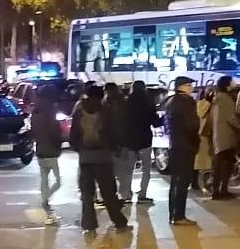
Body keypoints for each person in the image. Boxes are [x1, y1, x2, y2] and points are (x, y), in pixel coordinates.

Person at [70, 81, 129, 235]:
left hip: (85, 159)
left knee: (87, 195)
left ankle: (89, 226)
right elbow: (115, 133)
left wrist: (81, 150)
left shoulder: (78, 110)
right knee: (109, 193)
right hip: (103, 158)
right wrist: (114, 148)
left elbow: (73, 136)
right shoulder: (106, 110)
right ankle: (119, 222)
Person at [165, 76, 201, 225]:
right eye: (189, 85)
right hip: (185, 146)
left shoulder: (171, 101)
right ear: (182, 87)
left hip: (175, 145)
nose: (191, 88)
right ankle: (179, 216)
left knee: (175, 181)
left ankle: (173, 214)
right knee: (182, 182)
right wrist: (195, 142)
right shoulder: (185, 102)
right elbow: (191, 126)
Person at [32, 85, 64, 224]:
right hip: (51, 151)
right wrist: (59, 145)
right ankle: (45, 201)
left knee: (44, 179)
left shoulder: (36, 113)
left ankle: (45, 201)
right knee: (57, 181)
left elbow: (33, 133)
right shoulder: (50, 113)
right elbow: (55, 133)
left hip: (40, 151)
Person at [208, 76, 240, 200]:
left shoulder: (217, 98)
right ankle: (220, 191)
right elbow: (231, 118)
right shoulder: (225, 99)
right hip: (226, 136)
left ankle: (218, 190)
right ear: (227, 84)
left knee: (220, 165)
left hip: (219, 136)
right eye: (232, 81)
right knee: (225, 165)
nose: (234, 83)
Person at [124, 80, 158, 205]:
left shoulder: (127, 102)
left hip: (130, 139)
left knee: (128, 169)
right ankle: (142, 194)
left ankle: (127, 194)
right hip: (145, 139)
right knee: (146, 169)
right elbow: (155, 122)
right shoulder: (148, 102)